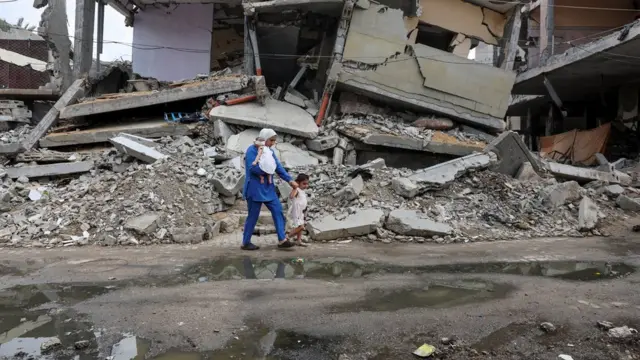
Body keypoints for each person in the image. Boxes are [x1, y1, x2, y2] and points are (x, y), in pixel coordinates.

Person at [242, 128, 298, 251]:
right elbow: (253, 169)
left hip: (268, 188)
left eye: (274, 140)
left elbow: (278, 167)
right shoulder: (252, 150)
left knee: (278, 211)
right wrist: (269, 169)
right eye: (271, 140)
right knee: (253, 216)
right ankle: (245, 242)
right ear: (265, 139)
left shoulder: (269, 152)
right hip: (255, 188)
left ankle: (282, 239)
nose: (273, 143)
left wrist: (289, 180)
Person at [286, 173, 309, 247]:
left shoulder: (302, 191)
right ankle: (287, 238)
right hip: (296, 212)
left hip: (301, 211)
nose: (306, 186)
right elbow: (291, 196)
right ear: (298, 183)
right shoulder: (297, 189)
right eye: (304, 184)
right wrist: (295, 188)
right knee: (300, 227)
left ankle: (299, 241)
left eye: (307, 184)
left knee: (301, 225)